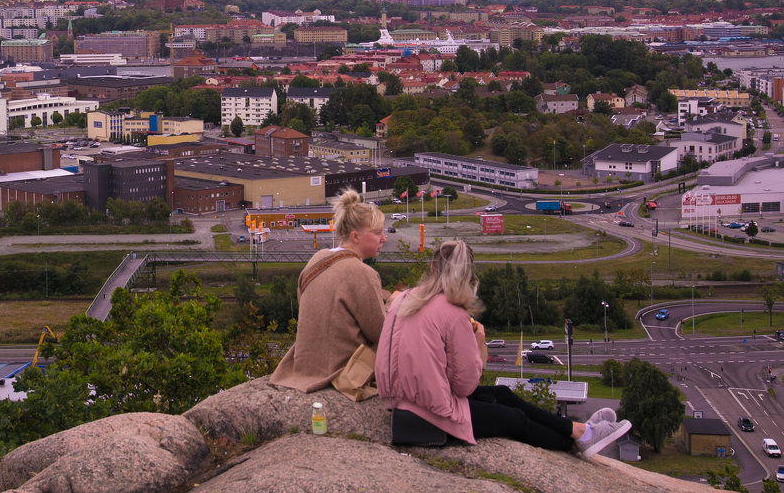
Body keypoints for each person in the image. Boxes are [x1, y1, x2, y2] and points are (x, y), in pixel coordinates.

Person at [375, 239, 630, 456]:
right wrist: (478, 342)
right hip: (429, 414)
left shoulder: (405, 298)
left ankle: (579, 430)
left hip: (400, 400)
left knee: (504, 396)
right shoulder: (452, 312)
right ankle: (577, 442)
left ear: (432, 267)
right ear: (467, 275)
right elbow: (465, 386)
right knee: (514, 420)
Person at [270, 189, 390, 392]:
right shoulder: (362, 273)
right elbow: (381, 332)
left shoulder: (318, 259)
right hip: (340, 368)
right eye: (378, 233)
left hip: (304, 365)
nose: (383, 238)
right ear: (355, 236)